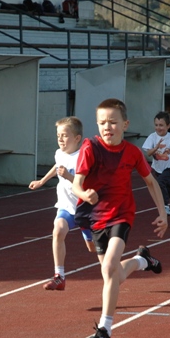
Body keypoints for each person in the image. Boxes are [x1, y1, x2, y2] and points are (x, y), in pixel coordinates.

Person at [72, 98, 168, 338]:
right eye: (102, 122)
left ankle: (105, 329)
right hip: (96, 218)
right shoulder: (90, 148)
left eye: (113, 122)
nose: (107, 127)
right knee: (113, 274)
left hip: (122, 216)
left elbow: (151, 182)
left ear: (125, 124)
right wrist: (84, 195)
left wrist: (163, 213)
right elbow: (76, 184)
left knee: (109, 269)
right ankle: (142, 260)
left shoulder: (133, 152)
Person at [28, 116, 96, 291]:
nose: (60, 139)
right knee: (58, 231)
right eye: (58, 135)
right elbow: (56, 166)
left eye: (64, 135)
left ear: (77, 138)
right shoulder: (59, 153)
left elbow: (86, 185)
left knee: (93, 249)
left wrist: (69, 176)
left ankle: (135, 261)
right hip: (66, 207)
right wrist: (42, 181)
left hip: (84, 209)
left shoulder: (82, 157)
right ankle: (59, 276)